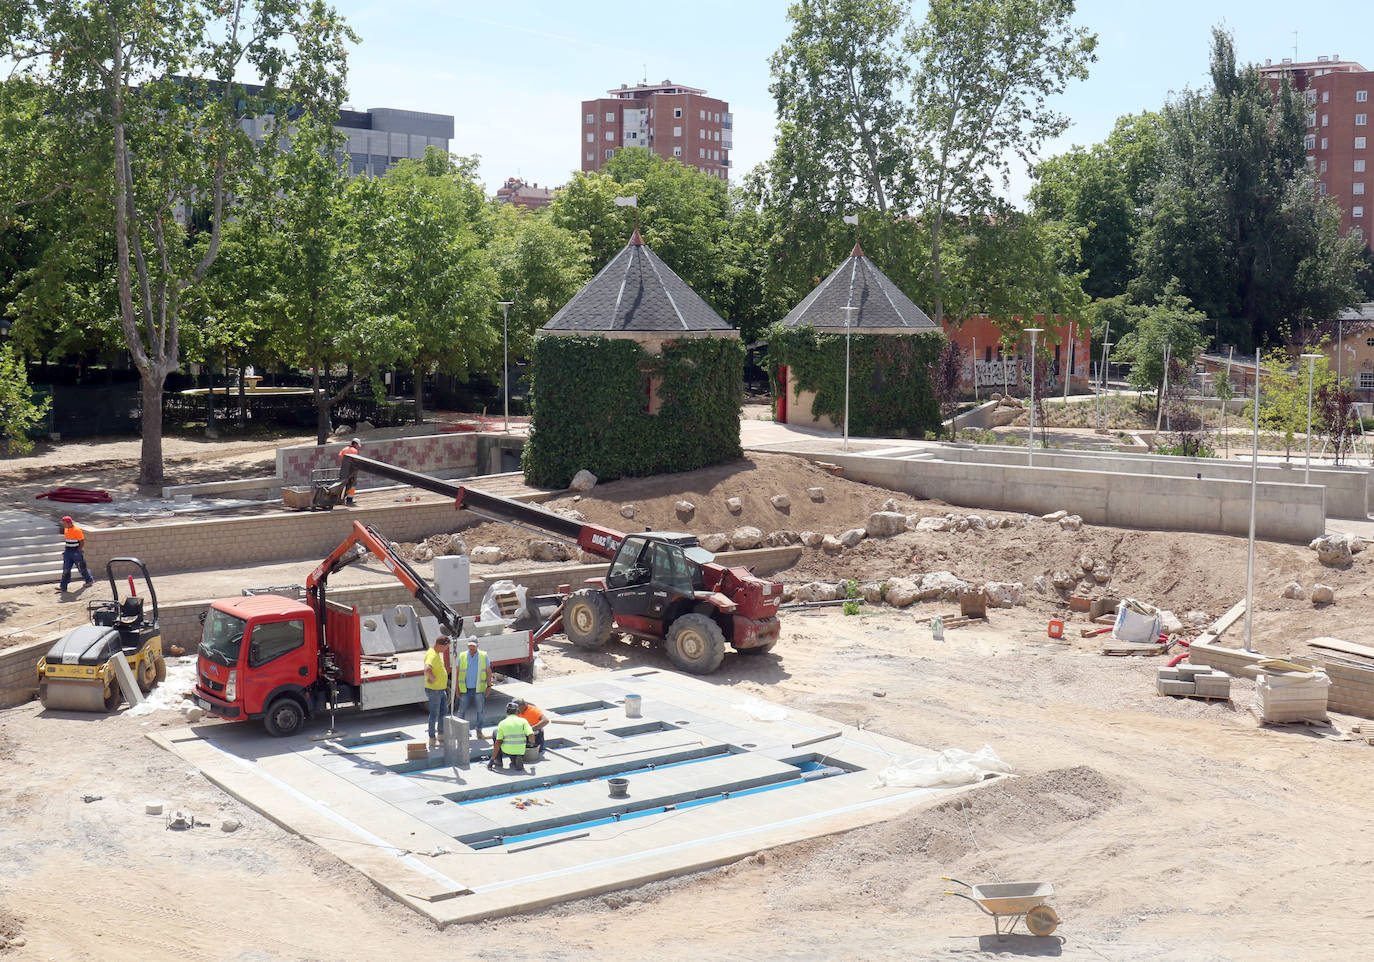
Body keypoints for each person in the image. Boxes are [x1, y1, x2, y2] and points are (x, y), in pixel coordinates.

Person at [455, 638, 489, 739]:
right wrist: (457, 688)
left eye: (473, 646)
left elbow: (488, 671)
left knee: (480, 711)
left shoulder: (483, 656)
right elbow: (457, 673)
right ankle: (462, 732)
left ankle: (479, 731)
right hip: (465, 689)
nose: (471, 648)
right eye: (470, 646)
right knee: (461, 711)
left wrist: (489, 686)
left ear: (477, 646)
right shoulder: (462, 656)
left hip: (479, 689)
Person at [489, 701, 535, 772]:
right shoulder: (523, 721)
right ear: (517, 711)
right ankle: (517, 757)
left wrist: (492, 760)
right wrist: (530, 744)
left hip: (506, 749)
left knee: (495, 732)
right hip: (521, 749)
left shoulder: (502, 723)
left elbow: (498, 742)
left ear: (507, 711)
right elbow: (531, 735)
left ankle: (498, 760)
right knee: (520, 738)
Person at [423, 635, 450, 750]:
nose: (446, 650)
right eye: (445, 647)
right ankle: (432, 738)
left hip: (440, 689)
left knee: (444, 711)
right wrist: (432, 678)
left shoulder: (437, 654)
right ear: (440, 645)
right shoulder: (431, 654)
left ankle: (441, 734)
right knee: (434, 714)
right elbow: (427, 668)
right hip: (434, 690)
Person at [58, 515, 94, 593]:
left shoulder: (77, 530)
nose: (63, 525)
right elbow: (68, 541)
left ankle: (89, 580)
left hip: (75, 551)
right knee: (66, 569)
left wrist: (78, 551)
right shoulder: (66, 529)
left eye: (64, 523)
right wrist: (66, 551)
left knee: (81, 567)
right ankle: (63, 586)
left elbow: (82, 541)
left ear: (69, 523)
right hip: (68, 552)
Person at [337, 437, 361, 505]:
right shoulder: (354, 451)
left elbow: (339, 457)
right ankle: (349, 499)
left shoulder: (344, 449)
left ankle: (339, 499)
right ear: (355, 444)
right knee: (353, 484)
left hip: (344, 469)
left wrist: (343, 465)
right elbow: (354, 461)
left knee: (342, 483)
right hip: (352, 470)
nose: (358, 447)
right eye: (357, 445)